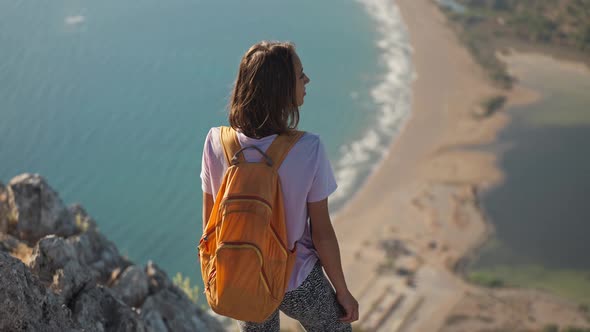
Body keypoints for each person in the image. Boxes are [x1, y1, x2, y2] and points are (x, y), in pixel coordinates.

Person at [200, 41, 359, 331]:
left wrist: (218, 275)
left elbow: (211, 226)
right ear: (282, 89)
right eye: (300, 75)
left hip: (243, 272)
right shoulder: (309, 148)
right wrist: (343, 292)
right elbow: (321, 233)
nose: (307, 80)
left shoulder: (215, 142)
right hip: (298, 278)